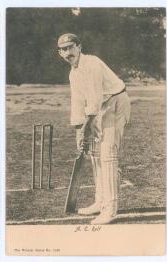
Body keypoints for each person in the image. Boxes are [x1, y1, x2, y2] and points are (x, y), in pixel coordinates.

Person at [57, 33, 131, 224]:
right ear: (60, 53)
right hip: (101, 108)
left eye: (71, 47)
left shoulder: (92, 64)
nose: (68, 52)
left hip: (115, 102)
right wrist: (78, 131)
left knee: (108, 155)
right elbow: (78, 102)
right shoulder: (74, 73)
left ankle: (110, 209)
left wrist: (86, 127)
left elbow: (95, 98)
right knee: (95, 155)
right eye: (63, 50)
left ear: (79, 47)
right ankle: (100, 201)